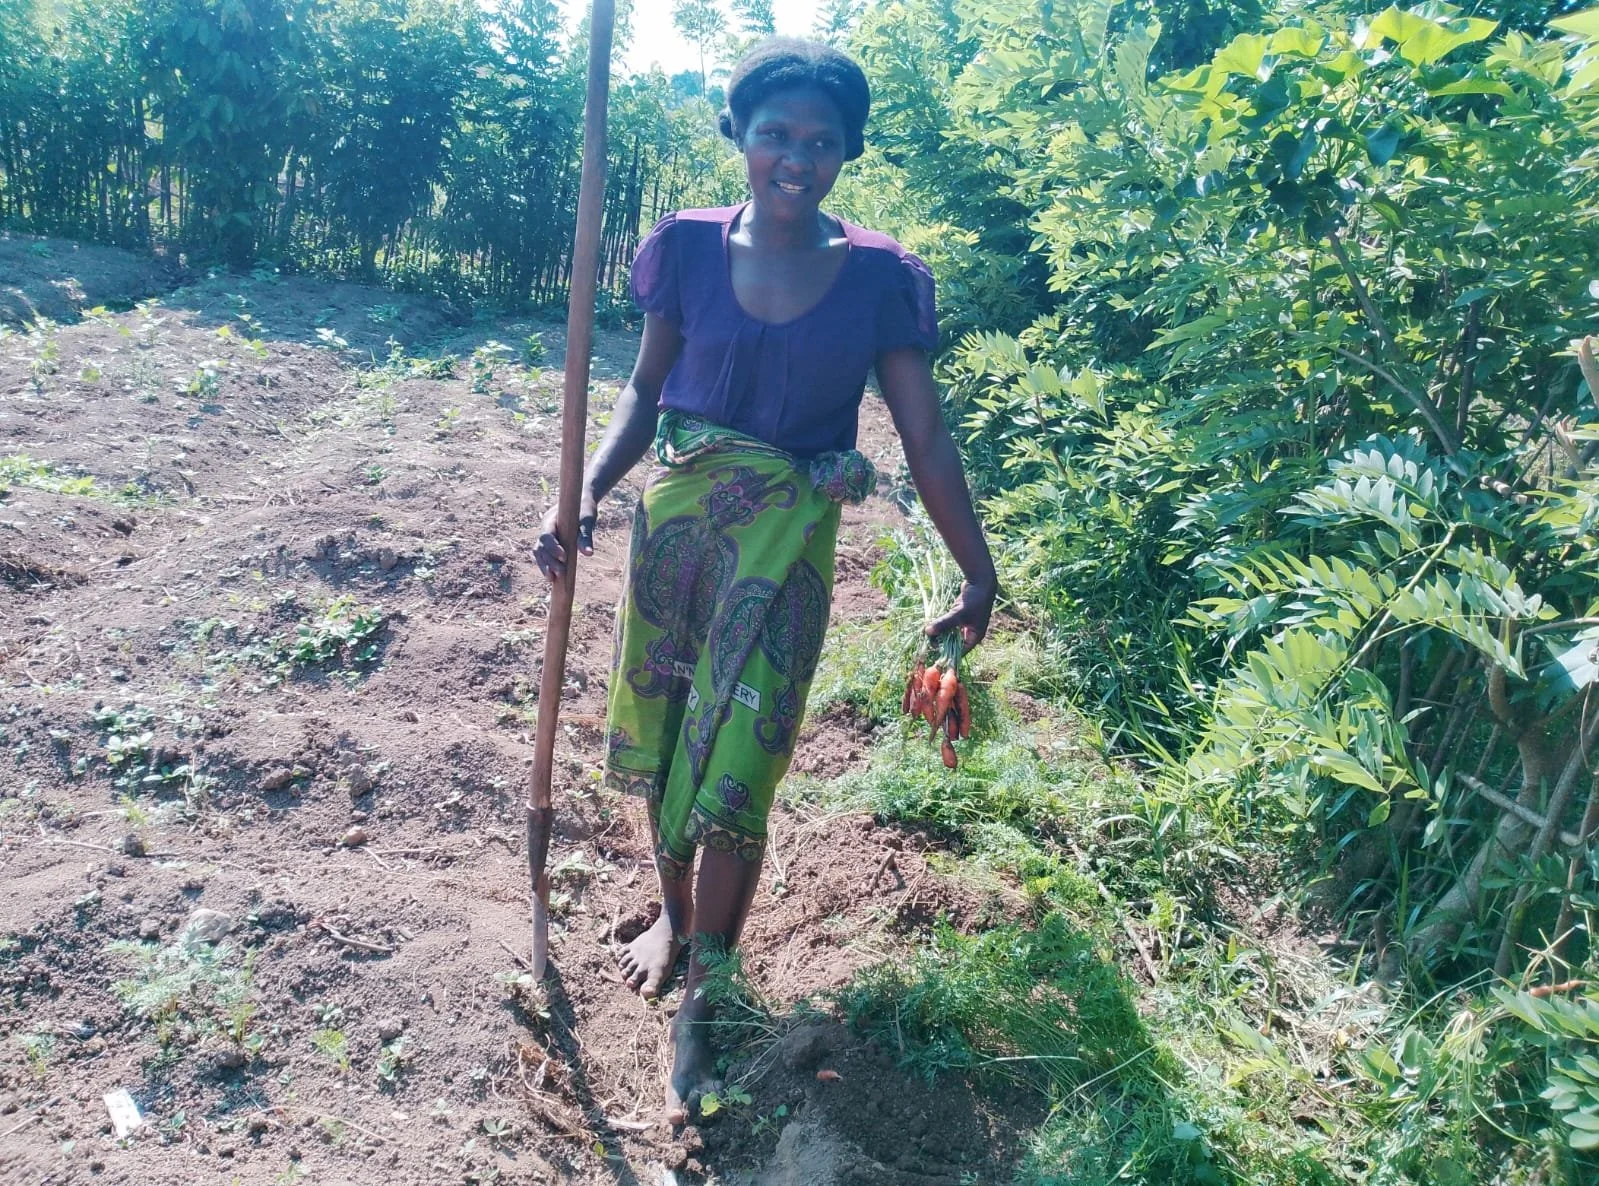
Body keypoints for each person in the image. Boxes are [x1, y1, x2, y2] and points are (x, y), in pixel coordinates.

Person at [533, 36, 996, 1123]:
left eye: (821, 141)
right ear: (737, 134)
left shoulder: (881, 276)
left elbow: (923, 434)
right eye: (776, 133)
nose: (797, 157)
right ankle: (671, 912)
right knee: (663, 738)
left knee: (739, 760)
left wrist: (978, 572)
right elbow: (645, 394)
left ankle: (706, 995)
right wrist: (584, 492)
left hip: (785, 551)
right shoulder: (686, 249)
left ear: (847, 154)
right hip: (677, 537)